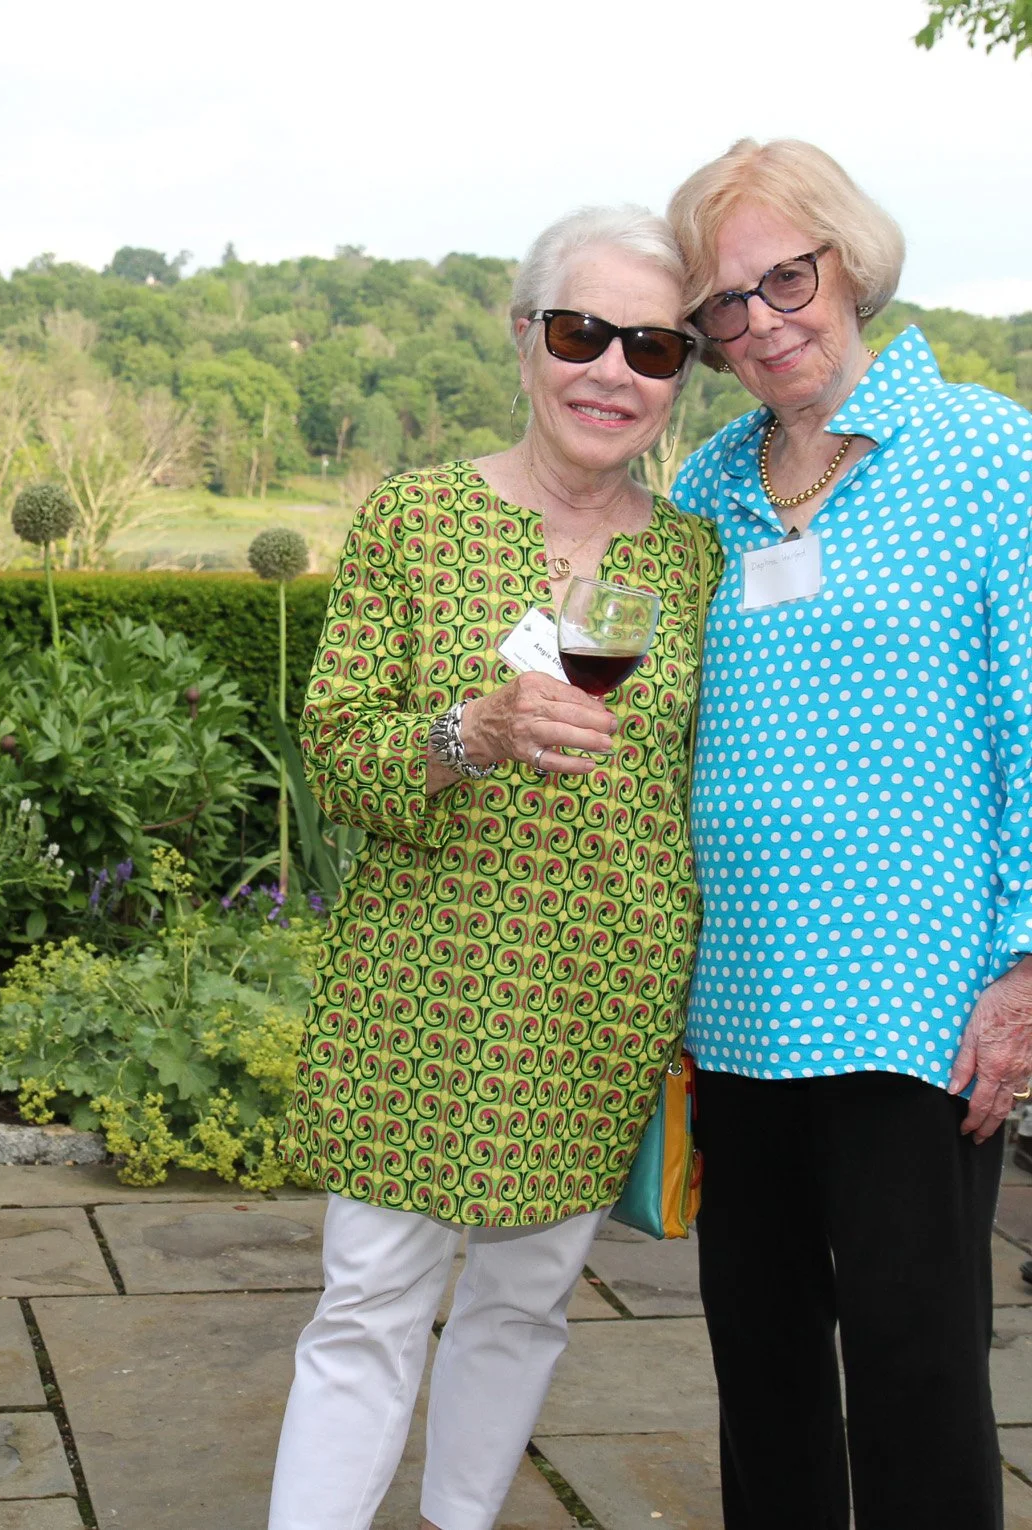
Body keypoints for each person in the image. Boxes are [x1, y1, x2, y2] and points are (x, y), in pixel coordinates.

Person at [269, 207, 720, 1530]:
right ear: (524, 337)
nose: (612, 372)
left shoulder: (694, 557)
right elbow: (340, 760)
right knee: (368, 1305)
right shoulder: (416, 522)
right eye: (583, 331)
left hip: (601, 997)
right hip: (425, 991)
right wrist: (469, 733)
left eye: (653, 346)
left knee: (524, 1308)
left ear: (681, 370)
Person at [665, 137, 1032, 1530]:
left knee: (914, 1368)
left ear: (848, 261)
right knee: (758, 1371)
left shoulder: (989, 453)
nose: (762, 321)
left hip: (916, 1003)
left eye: (786, 277)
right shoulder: (708, 490)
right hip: (741, 1006)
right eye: (725, 307)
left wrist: (1028, 964)